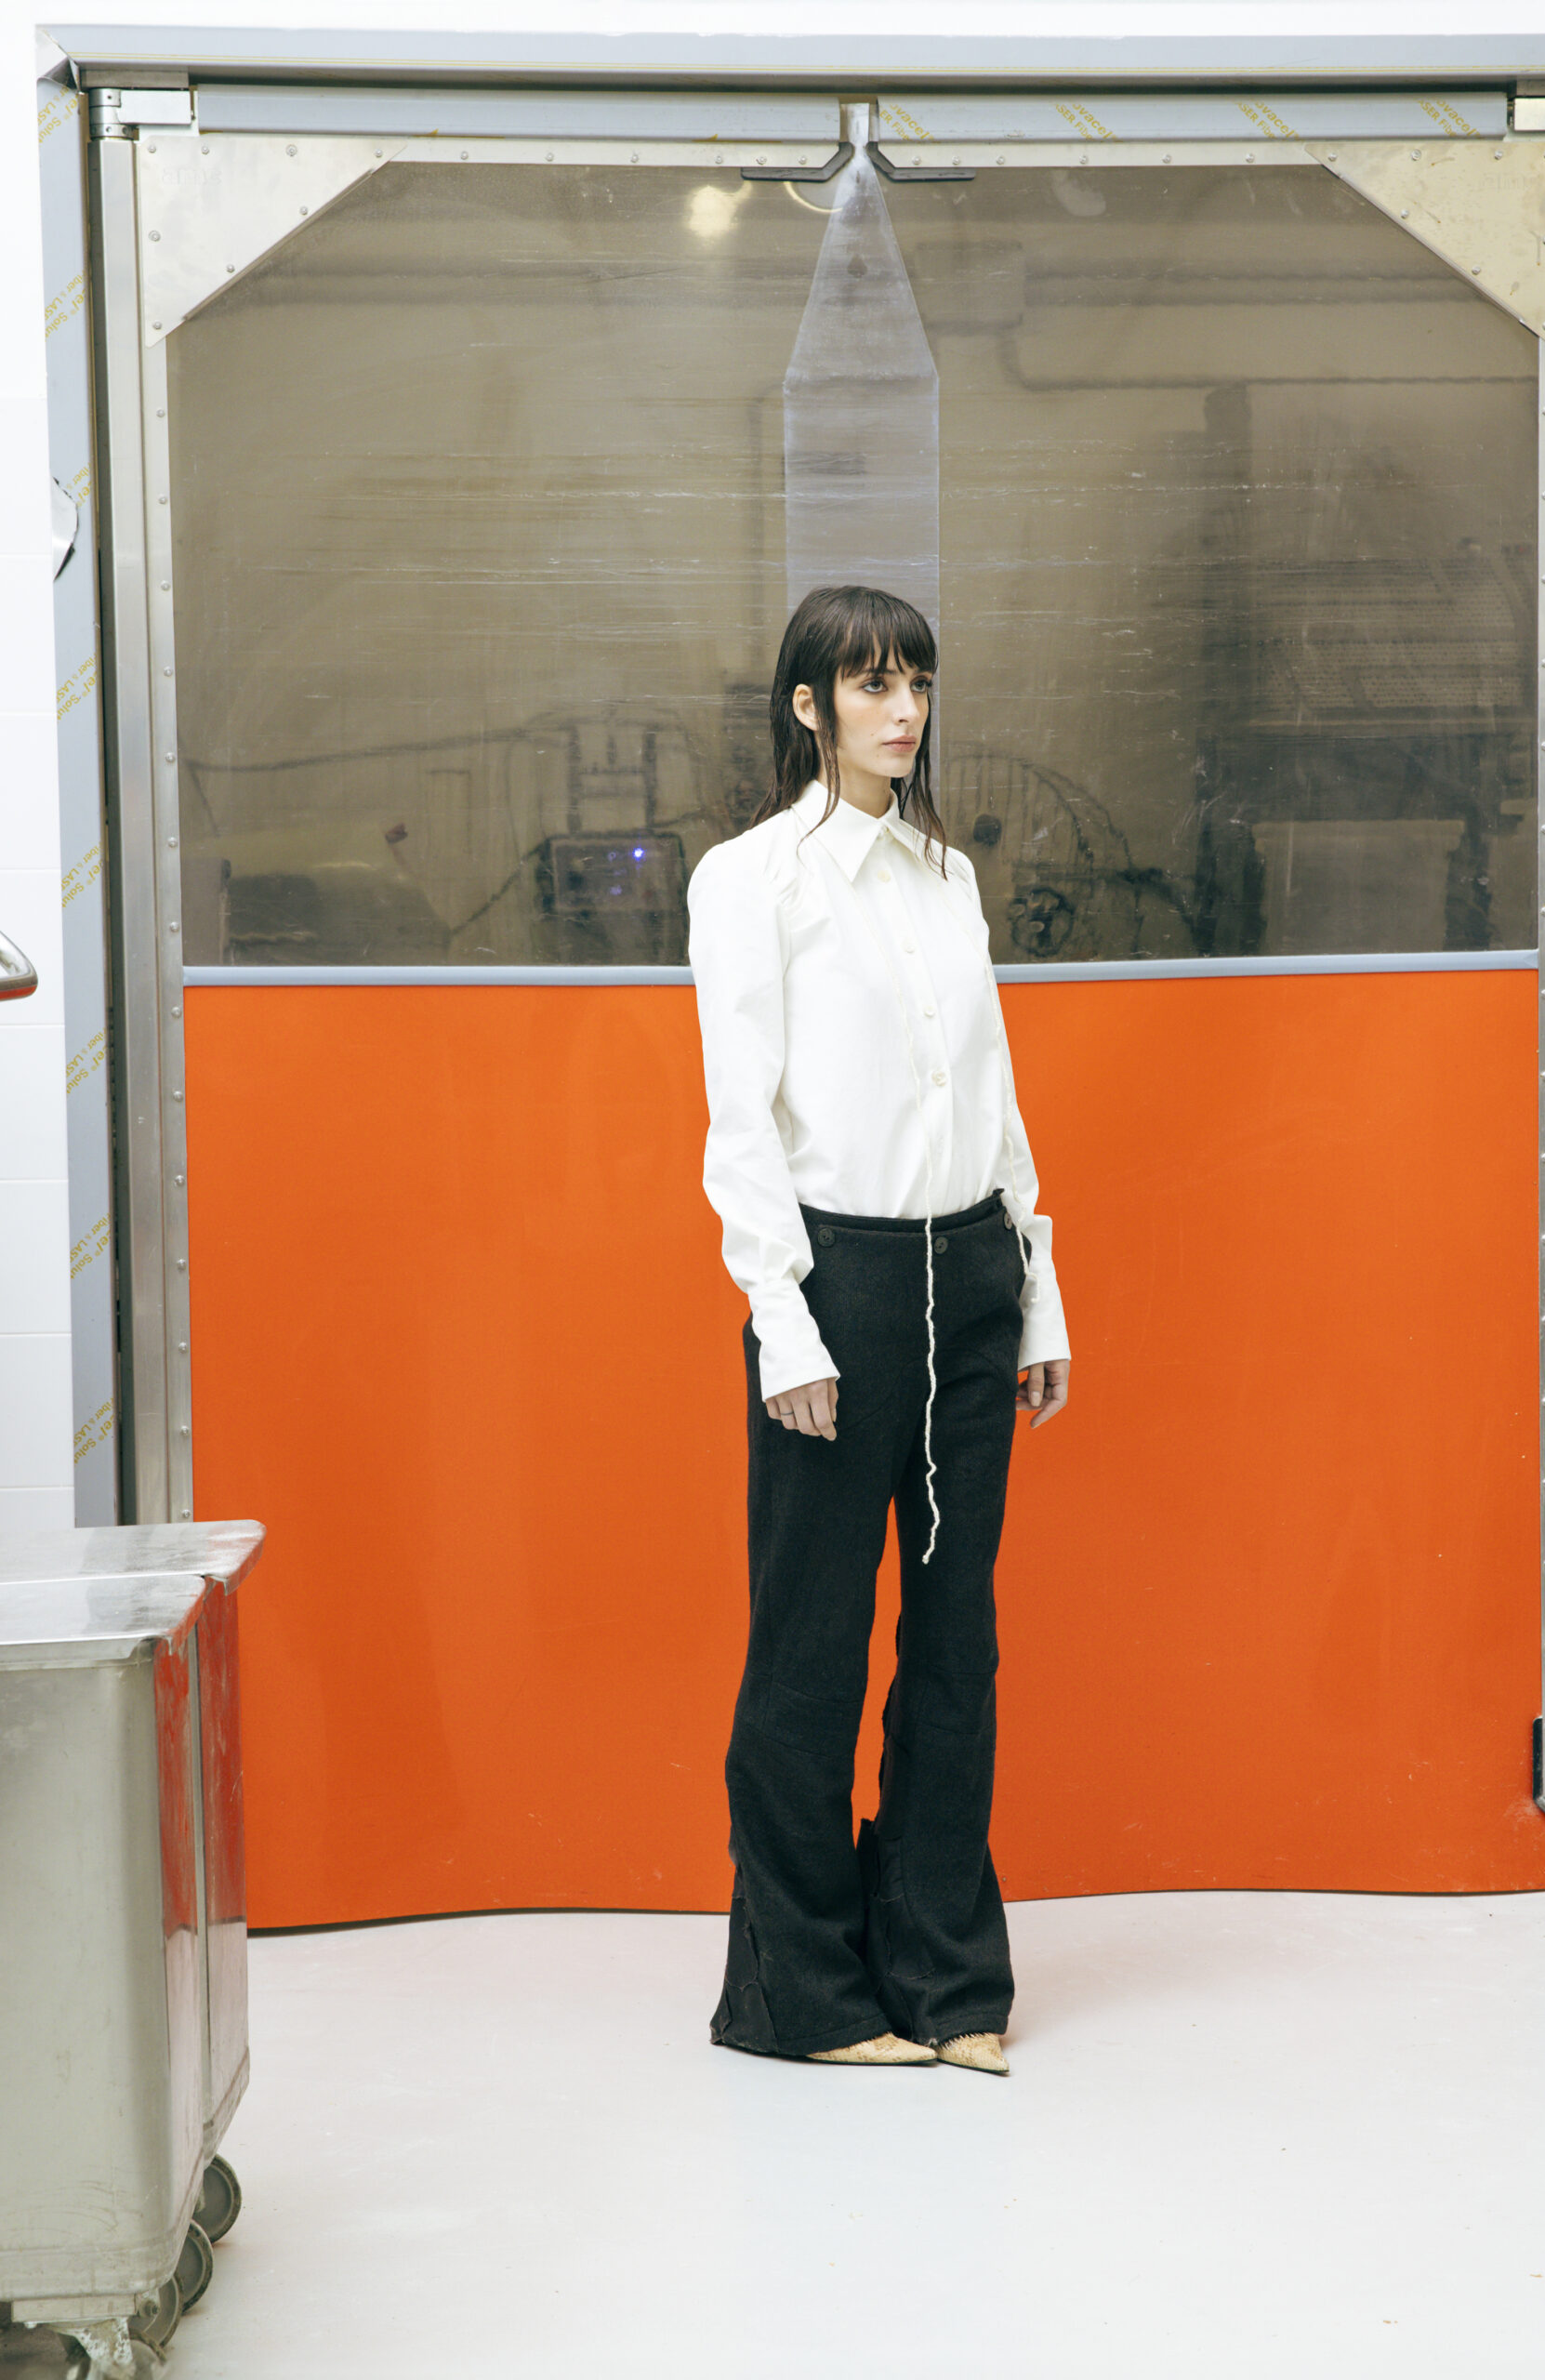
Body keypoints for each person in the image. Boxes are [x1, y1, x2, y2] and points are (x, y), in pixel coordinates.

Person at [685, 584, 1071, 2077]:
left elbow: (993, 1092)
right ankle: (803, 1997)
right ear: (810, 707)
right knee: (812, 1645)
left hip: (969, 1271)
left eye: (917, 684)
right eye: (871, 686)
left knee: (956, 1641)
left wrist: (1035, 1288)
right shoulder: (752, 882)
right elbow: (740, 1122)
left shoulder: (945, 876)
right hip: (837, 1283)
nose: (903, 712)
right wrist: (783, 1323)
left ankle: (946, 1978)